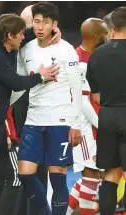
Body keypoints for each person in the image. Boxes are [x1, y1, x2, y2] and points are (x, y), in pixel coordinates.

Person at [0, 13, 60, 215]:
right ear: (9, 35)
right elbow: (16, 83)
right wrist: (41, 76)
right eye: (21, 34)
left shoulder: (5, 48)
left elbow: (26, 34)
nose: (23, 38)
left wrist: (52, 30)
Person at [11, 2, 82, 215]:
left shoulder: (66, 49)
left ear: (55, 24)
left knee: (57, 176)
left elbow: (76, 88)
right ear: (32, 23)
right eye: (37, 21)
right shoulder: (26, 50)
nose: (40, 27)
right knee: (25, 175)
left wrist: (76, 124)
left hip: (59, 120)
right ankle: (45, 212)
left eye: (46, 22)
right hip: (33, 120)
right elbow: (19, 86)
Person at [86, 7, 126, 215]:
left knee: (110, 174)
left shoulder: (97, 55)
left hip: (107, 117)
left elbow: (96, 97)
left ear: (112, 27)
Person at [66, 18, 108, 215]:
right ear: (97, 36)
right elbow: (83, 103)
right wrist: (102, 125)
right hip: (85, 126)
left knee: (92, 177)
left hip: (93, 125)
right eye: (105, 33)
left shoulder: (92, 57)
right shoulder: (79, 61)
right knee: (91, 176)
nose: (108, 37)